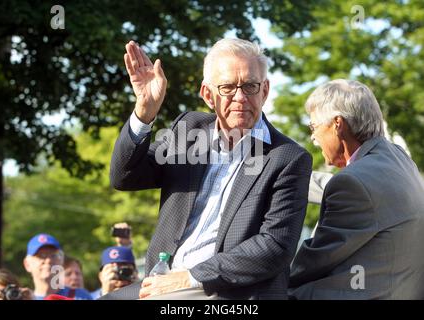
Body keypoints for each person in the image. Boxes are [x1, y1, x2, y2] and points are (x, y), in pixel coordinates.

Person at [105, 38, 312, 300]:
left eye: (250, 86)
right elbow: (125, 177)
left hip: (225, 291)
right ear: (207, 95)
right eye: (227, 87)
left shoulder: (287, 157)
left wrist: (191, 276)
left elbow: (275, 246)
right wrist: (144, 112)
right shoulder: (188, 129)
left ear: (265, 90)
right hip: (160, 282)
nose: (240, 97)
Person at [288, 79, 424, 299]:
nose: (313, 137)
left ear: (338, 124)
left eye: (313, 127)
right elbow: (350, 188)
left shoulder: (353, 183)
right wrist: (282, 179)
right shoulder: (397, 158)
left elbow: (312, 264)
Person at [23, 233, 92, 300]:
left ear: (61, 261)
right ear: (27, 264)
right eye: (41, 256)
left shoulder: (80, 296)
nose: (48, 260)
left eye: (53, 255)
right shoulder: (24, 298)